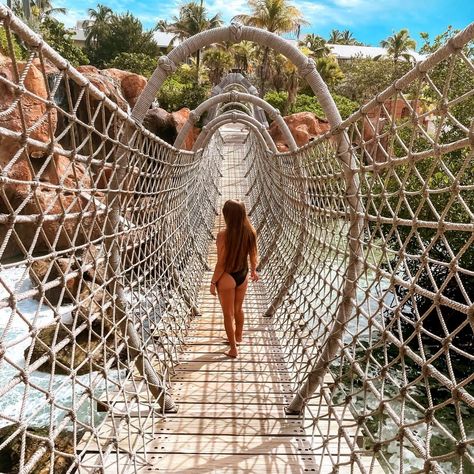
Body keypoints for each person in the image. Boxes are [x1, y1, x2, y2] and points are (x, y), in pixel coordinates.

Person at [210, 200, 259, 358]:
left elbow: (221, 263)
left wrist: (212, 282)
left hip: (227, 278)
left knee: (228, 314)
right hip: (242, 276)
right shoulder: (250, 232)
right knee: (238, 309)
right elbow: (253, 254)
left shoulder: (223, 235)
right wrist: (253, 270)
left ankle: (233, 349)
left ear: (227, 216)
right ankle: (238, 336)